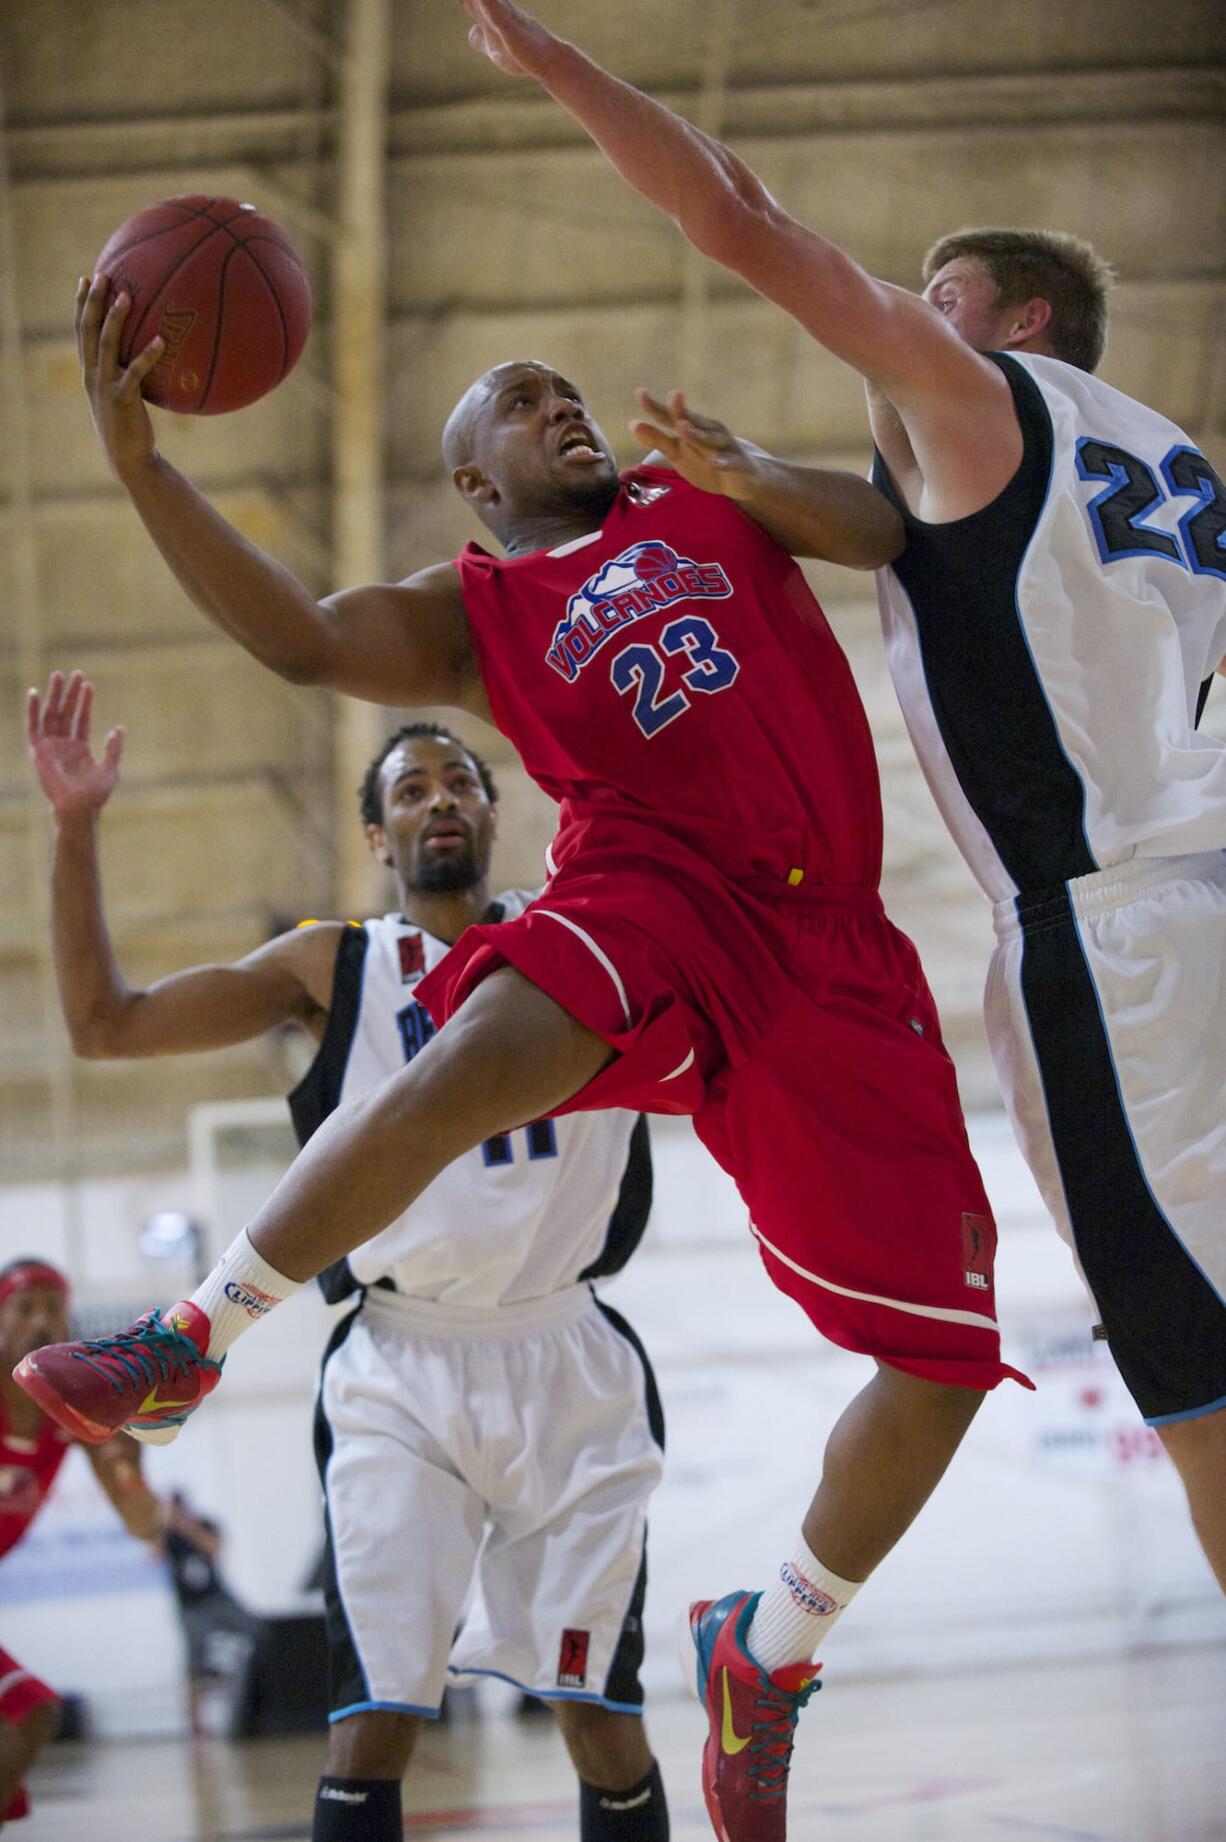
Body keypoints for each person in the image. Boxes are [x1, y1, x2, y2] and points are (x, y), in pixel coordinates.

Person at [16, 234, 1032, 1838]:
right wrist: (137, 466)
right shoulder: (480, 609)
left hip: (831, 951)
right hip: (650, 886)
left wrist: (752, 465)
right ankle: (193, 1335)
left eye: (566, 392)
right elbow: (294, 635)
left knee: (943, 1362)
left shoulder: (694, 498)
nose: (558, 405)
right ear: (470, 480)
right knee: (465, 1052)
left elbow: (889, 531)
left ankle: (767, 1654)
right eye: (518, 401)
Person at [452, 0, 1226, 1589]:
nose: (897, 330)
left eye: (932, 304)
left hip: (1122, 938)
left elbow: (731, 212)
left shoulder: (975, 405)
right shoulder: (1163, 453)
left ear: (1009, 323)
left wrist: (549, 61)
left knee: (1202, 1393)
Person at [23, 672, 669, 1842]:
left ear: (490, 814)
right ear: (377, 836)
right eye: (411, 790)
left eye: (461, 784)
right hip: (397, 1366)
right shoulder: (335, 967)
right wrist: (74, 832)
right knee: (372, 1722)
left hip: (566, 1349)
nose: (439, 803)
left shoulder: (577, 929)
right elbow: (102, 1025)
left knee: (601, 1716)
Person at [0, 1258, 162, 1826]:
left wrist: (131, 1468)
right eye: (25, 1308)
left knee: (32, 1712)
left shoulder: (71, 1412)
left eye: (54, 1309)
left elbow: (144, 1525)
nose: (42, 1321)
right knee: (29, 1712)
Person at [159, 1491, 259, 1738]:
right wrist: (163, 1525)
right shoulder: (166, 1534)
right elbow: (152, 1555)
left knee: (258, 1632)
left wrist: (187, 1527)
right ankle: (196, 1725)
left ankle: (262, 1693)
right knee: (194, 1664)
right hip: (191, 1608)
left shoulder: (202, 1525)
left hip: (218, 1599)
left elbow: (214, 1548)